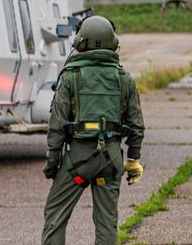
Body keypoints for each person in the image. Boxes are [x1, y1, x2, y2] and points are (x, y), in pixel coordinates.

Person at [41, 15, 145, 245]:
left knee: (55, 216)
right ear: (112, 41)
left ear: (81, 41)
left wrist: (52, 162)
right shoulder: (124, 78)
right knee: (107, 223)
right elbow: (137, 124)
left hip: (77, 164)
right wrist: (134, 159)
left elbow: (57, 125)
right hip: (111, 160)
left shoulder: (70, 77)